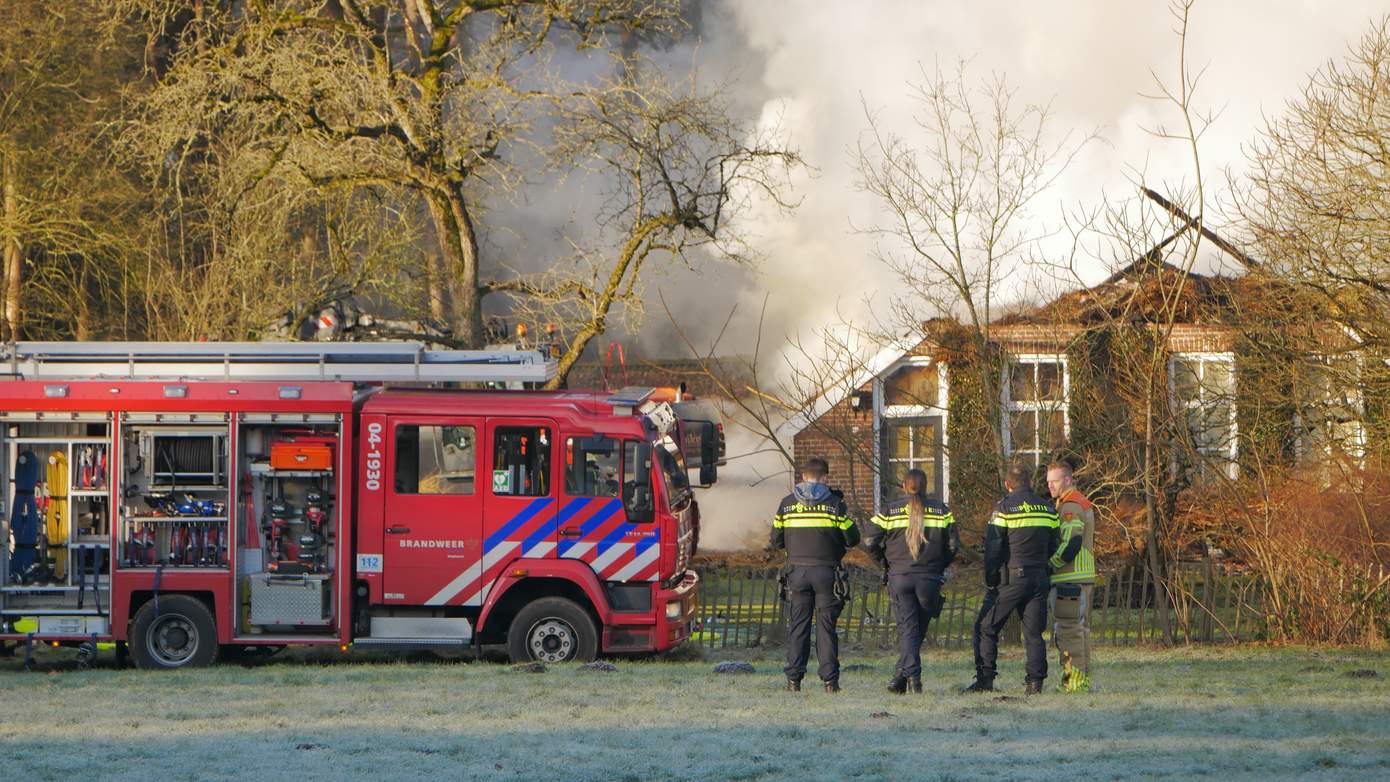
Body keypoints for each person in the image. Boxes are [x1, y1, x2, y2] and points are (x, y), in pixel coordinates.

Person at [863, 468, 960, 694]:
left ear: (904, 486)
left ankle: (910, 678)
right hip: (930, 578)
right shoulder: (942, 511)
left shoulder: (889, 510)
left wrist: (884, 562)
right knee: (915, 631)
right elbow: (954, 546)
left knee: (909, 630)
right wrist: (940, 565)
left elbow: (868, 540)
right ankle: (902, 677)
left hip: (900, 577)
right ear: (926, 486)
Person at [966, 463, 1059, 695]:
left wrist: (991, 576)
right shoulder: (1048, 509)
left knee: (986, 626)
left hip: (1011, 579)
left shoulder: (1004, 509)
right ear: (1030, 483)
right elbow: (1055, 545)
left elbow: (994, 547)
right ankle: (1035, 683)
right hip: (1039, 578)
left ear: (1008, 484)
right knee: (1034, 633)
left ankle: (985, 679)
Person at [771, 457, 859, 693]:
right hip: (827, 574)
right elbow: (853, 538)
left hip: (797, 573)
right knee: (826, 627)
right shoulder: (835, 504)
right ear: (824, 477)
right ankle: (830, 682)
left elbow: (775, 540)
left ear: (803, 476)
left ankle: (793, 681)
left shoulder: (786, 504)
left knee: (798, 626)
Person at [1046, 460, 1096, 693]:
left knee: (1069, 631)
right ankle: (1080, 681)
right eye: (1048, 482)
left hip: (1069, 577)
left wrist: (1050, 565)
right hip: (1081, 576)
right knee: (1080, 630)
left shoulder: (1070, 506)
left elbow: (1071, 542)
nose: (1050, 486)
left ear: (1068, 479)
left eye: (1054, 481)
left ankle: (1073, 683)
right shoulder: (1077, 502)